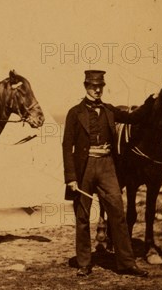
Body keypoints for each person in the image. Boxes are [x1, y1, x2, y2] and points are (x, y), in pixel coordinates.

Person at [62, 70, 153, 277]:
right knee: (83, 216)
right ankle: (84, 263)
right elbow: (67, 146)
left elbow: (133, 118)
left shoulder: (110, 110)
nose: (97, 90)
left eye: (100, 87)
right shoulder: (74, 113)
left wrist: (150, 102)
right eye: (93, 86)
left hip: (107, 166)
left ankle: (127, 264)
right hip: (84, 169)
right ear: (85, 86)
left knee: (117, 213)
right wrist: (71, 178)